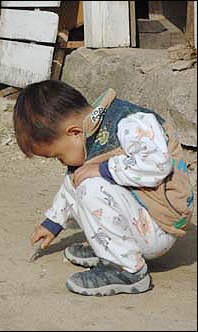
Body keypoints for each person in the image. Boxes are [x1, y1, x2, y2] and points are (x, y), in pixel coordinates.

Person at [13, 80, 194, 296]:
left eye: (58, 156)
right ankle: (109, 246)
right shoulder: (89, 132)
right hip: (142, 215)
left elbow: (156, 165)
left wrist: (104, 169)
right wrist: (53, 222)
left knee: (91, 186)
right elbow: (72, 181)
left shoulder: (129, 122)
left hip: (159, 224)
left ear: (74, 133)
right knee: (82, 176)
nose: (61, 162)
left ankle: (126, 270)